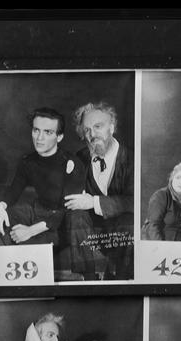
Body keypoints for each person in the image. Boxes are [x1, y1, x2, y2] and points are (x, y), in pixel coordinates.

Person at [0, 107, 87, 265]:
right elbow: (14, 190)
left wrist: (30, 231)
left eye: (48, 132)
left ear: (59, 137)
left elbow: (66, 210)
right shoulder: (28, 161)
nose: (39, 138)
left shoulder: (72, 163)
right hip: (38, 211)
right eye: (36, 130)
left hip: (61, 223)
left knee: (24, 245)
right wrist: (0, 207)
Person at [64, 102, 135, 280]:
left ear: (112, 128)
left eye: (98, 127)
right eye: (87, 130)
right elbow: (69, 197)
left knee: (130, 220)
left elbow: (135, 202)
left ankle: (121, 280)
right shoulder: (80, 158)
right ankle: (88, 279)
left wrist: (94, 202)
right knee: (75, 215)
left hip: (123, 230)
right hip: (93, 230)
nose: (93, 134)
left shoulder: (132, 158)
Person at [141, 162, 181, 241]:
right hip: (160, 243)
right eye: (178, 177)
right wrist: (161, 247)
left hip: (179, 244)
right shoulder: (161, 195)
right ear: (172, 179)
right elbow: (152, 227)